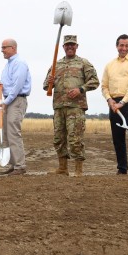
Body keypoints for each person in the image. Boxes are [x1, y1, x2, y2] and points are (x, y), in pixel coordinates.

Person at [42, 35, 99, 177]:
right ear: (63, 47)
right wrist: (50, 81)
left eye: (72, 45)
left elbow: (94, 81)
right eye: (67, 45)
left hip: (76, 107)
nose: (70, 47)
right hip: (59, 106)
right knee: (58, 138)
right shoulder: (56, 64)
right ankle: (62, 168)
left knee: (75, 139)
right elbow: (45, 86)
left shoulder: (83, 63)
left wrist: (80, 89)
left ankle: (78, 170)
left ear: (77, 46)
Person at [101, 34, 128, 175]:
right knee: (117, 138)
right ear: (117, 46)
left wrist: (123, 102)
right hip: (114, 104)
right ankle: (122, 168)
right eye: (121, 45)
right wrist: (109, 100)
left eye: (126, 45)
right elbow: (104, 86)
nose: (124, 48)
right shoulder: (109, 65)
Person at [0, 39, 31, 176]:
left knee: (13, 132)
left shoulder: (19, 63)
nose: (2, 50)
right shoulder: (8, 65)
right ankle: (13, 164)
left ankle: (20, 166)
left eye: (4, 47)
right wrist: (0, 87)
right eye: (2, 47)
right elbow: (9, 84)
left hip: (16, 100)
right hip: (9, 100)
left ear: (13, 48)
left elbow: (17, 85)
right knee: (6, 133)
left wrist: (7, 101)